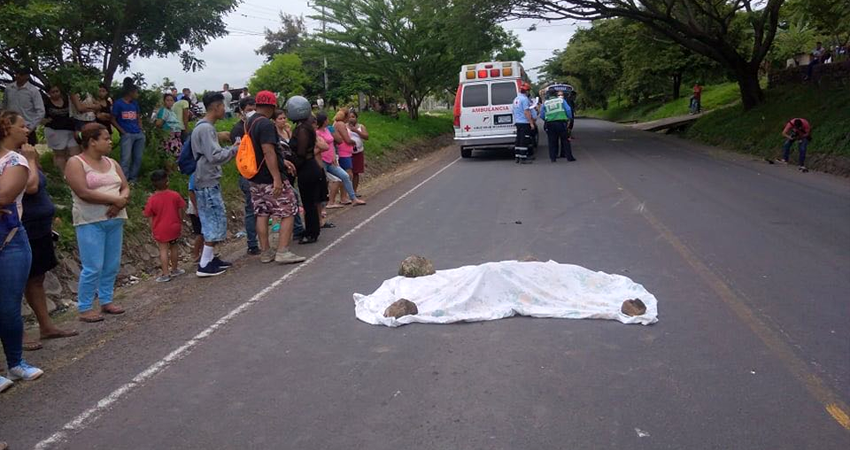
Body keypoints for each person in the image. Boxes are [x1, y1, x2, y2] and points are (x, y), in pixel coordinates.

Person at [65, 123, 129, 322]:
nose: (110, 142)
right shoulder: (76, 163)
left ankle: (106, 300)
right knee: (93, 265)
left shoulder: (112, 162)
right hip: (89, 220)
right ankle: (84, 307)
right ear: (92, 141)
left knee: (111, 264)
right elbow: (83, 192)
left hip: (114, 218)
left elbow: (125, 187)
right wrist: (113, 200)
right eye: (106, 138)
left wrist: (120, 201)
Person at [232, 90, 305, 264]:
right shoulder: (266, 124)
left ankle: (265, 252)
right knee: (288, 210)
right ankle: (282, 251)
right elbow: (268, 150)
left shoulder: (249, 122)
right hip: (268, 177)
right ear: (272, 106)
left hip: (254, 177)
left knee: (262, 213)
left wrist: (282, 162)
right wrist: (277, 178)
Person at [0, 110, 45, 391]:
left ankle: (15, 363)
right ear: (6, 129)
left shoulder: (15, 161)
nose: (27, 129)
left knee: (8, 307)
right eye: (21, 125)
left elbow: (5, 196)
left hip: (9, 241)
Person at [21, 141, 78, 350]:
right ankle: (19, 334)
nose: (26, 131)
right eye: (20, 126)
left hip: (39, 227)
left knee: (37, 278)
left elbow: (40, 186)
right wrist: (29, 160)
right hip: (20, 228)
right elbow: (31, 186)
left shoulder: (27, 154)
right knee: (14, 284)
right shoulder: (11, 160)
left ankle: (46, 326)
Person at [192, 92, 238, 277]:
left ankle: (210, 258)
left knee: (213, 218)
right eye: (223, 105)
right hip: (207, 179)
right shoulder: (206, 129)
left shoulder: (202, 127)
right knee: (213, 219)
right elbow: (214, 156)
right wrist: (234, 149)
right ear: (216, 106)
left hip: (205, 177)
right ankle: (204, 264)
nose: (224, 109)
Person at [287, 95, 327, 244]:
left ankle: (311, 233)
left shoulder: (303, 129)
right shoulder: (304, 126)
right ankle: (311, 229)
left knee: (309, 202)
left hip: (307, 168)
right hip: (308, 167)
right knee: (309, 201)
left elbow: (302, 153)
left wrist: (292, 164)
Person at [230, 96, 261, 255]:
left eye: (254, 109)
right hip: (247, 174)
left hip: (260, 172)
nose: (252, 113)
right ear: (242, 111)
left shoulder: (257, 124)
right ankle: (252, 244)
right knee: (252, 210)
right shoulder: (238, 129)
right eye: (249, 110)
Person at [143, 170, 186, 282]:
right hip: (174, 226)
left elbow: (149, 215)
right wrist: (180, 221)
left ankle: (166, 273)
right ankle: (175, 269)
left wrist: (152, 229)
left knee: (163, 250)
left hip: (161, 229)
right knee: (174, 247)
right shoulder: (175, 195)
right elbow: (181, 208)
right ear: (167, 182)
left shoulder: (152, 199)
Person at [320, 112, 364, 208]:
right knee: (323, 181)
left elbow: (333, 143)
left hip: (331, 159)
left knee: (344, 176)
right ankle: (325, 204)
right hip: (322, 160)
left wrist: (333, 156)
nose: (329, 120)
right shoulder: (317, 132)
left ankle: (353, 198)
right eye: (327, 119)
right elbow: (341, 140)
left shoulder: (328, 129)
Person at [112, 78, 146, 183]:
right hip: (127, 134)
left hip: (137, 133)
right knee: (125, 158)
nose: (137, 94)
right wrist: (122, 131)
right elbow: (112, 118)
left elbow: (138, 116)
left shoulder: (134, 103)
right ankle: (123, 179)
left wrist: (140, 128)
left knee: (138, 158)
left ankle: (133, 179)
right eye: (136, 92)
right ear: (130, 92)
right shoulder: (119, 104)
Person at [42, 84, 81, 173]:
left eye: (57, 91)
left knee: (75, 154)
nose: (55, 94)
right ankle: (62, 175)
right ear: (48, 93)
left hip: (70, 129)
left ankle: (74, 174)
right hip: (55, 131)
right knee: (60, 155)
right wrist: (44, 120)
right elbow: (40, 115)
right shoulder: (46, 103)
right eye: (53, 92)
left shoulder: (67, 100)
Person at [2, 67, 45, 146]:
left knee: (27, 152)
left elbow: (40, 111)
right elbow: (4, 107)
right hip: (9, 127)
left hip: (26, 128)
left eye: (21, 74)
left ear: (27, 76)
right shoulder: (9, 89)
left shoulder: (33, 91)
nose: (18, 76)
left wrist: (31, 127)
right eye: (17, 73)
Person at [332, 109, 365, 206]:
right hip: (343, 153)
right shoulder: (341, 124)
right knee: (347, 175)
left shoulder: (336, 124)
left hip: (346, 153)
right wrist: (353, 142)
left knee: (347, 175)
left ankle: (346, 196)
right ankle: (344, 197)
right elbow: (346, 139)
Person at [541, 90, 575, 163]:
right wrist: (569, 118)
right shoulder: (561, 100)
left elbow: (542, 115)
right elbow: (568, 110)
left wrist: (547, 119)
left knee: (552, 141)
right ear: (556, 94)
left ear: (548, 95)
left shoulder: (545, 103)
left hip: (550, 124)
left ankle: (553, 158)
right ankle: (569, 157)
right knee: (565, 140)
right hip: (561, 123)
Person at [512, 82, 536, 163]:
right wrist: (531, 123)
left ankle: (517, 157)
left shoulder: (516, 99)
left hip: (518, 122)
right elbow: (526, 112)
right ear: (527, 91)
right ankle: (523, 158)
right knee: (524, 140)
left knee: (518, 139)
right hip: (524, 123)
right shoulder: (524, 99)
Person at [347, 110, 369, 196]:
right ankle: (348, 192)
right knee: (349, 172)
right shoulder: (345, 127)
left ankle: (354, 191)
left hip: (358, 152)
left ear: (356, 118)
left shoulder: (360, 126)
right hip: (348, 153)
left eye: (353, 117)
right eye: (349, 117)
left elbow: (366, 136)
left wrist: (356, 131)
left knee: (356, 172)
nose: (351, 119)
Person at [187, 174, 204, 262]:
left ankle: (203, 253)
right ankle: (196, 254)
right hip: (195, 210)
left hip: (199, 208)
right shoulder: (194, 175)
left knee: (203, 233)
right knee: (200, 233)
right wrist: (196, 208)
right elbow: (191, 191)